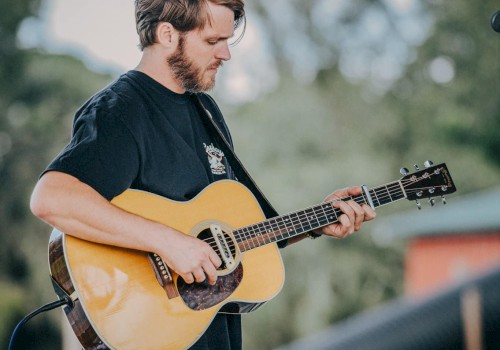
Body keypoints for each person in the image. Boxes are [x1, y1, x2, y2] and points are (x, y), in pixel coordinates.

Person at [30, 0, 376, 349]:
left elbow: (238, 234)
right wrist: (169, 242)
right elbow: (52, 197)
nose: (226, 54)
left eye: (227, 40)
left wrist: (317, 222)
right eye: (213, 41)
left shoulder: (206, 111)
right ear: (167, 34)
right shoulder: (121, 110)